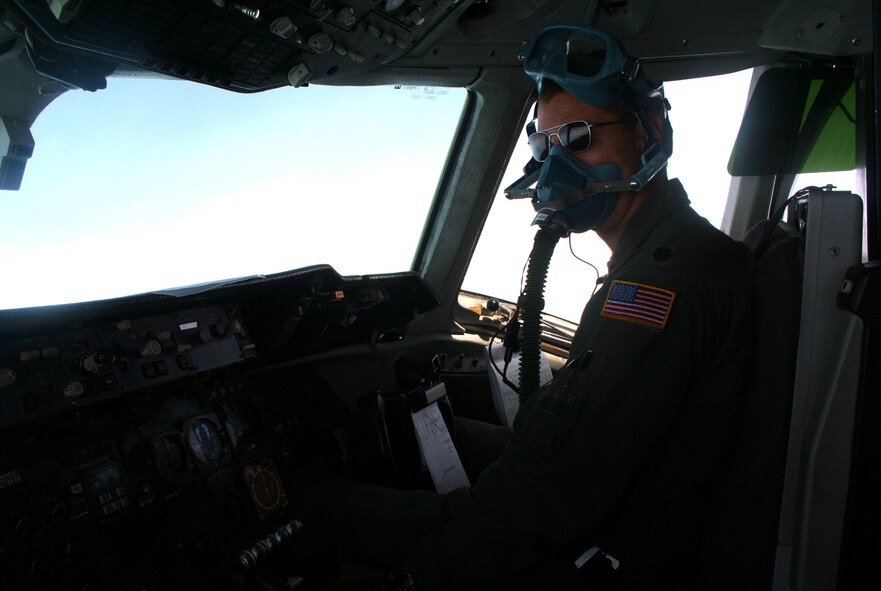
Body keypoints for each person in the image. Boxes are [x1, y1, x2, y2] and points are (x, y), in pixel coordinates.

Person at [299, 23, 754, 591]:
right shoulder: (671, 251)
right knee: (407, 432)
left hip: (606, 550)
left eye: (580, 137)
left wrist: (415, 576)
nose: (558, 164)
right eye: (545, 146)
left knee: (325, 512)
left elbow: (553, 491)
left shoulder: (660, 283)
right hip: (610, 500)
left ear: (650, 132)